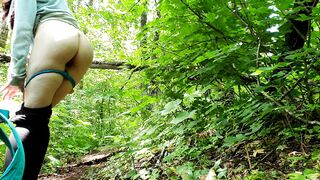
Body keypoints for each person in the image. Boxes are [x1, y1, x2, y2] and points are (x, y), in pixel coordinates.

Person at [0, 0, 93, 179]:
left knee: (27, 121)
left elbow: (23, 29)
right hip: (82, 47)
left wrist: (16, 75)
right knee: (38, 119)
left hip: (55, 38)